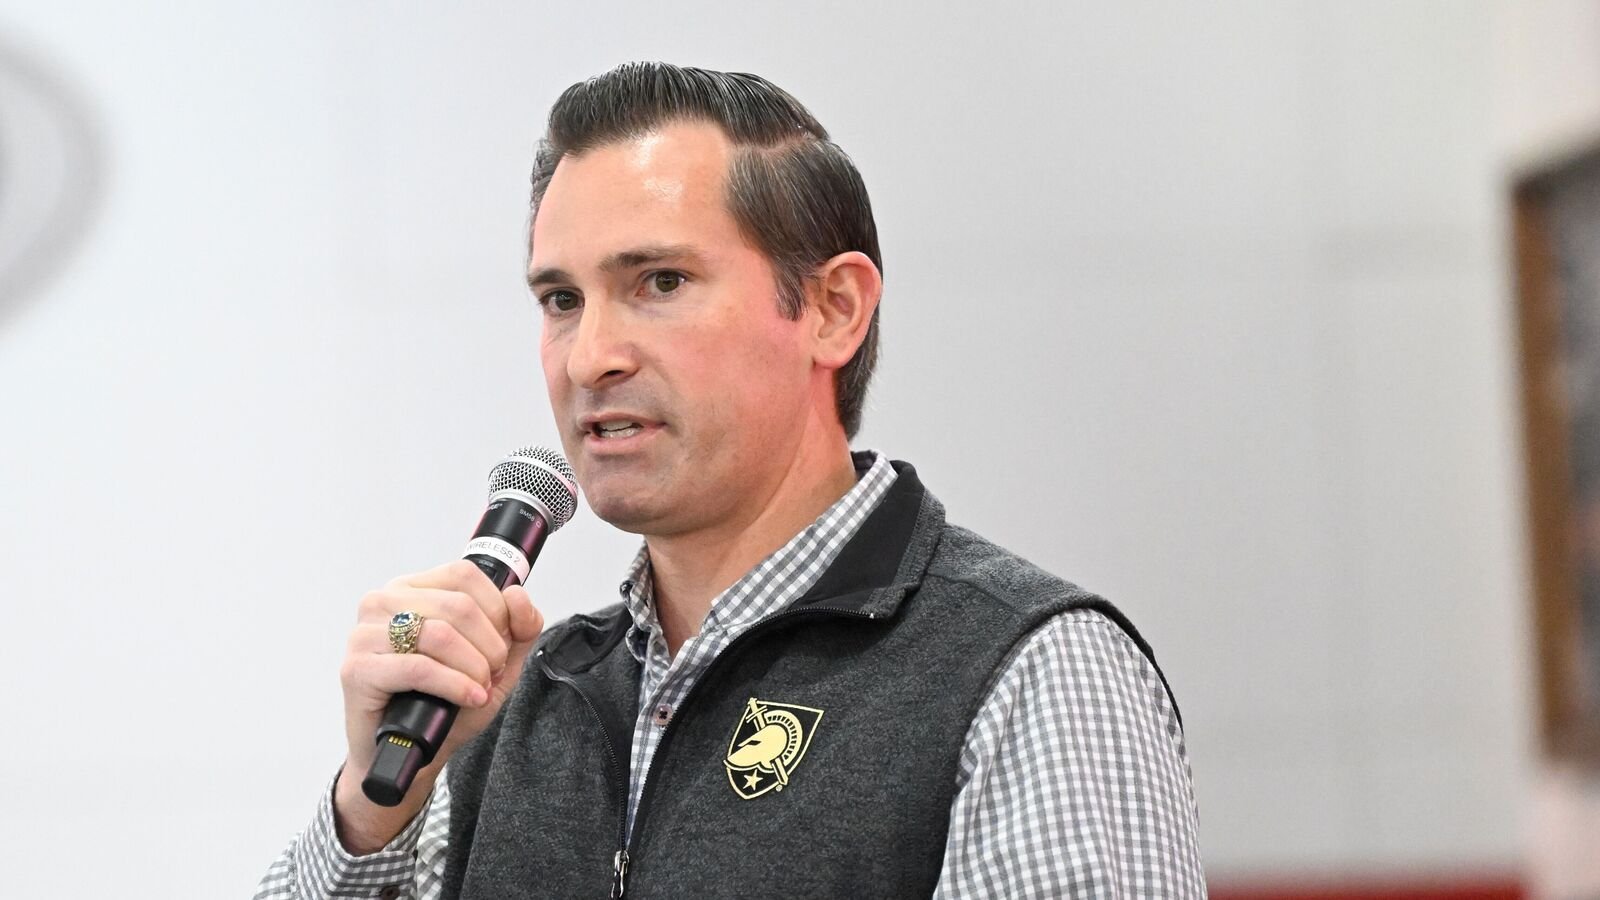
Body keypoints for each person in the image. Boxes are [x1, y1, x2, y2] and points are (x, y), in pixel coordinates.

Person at [255, 62, 1204, 899]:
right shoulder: (505, 710)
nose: (590, 357)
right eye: (561, 300)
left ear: (833, 311)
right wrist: (369, 814)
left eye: (660, 282)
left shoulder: (1029, 669)